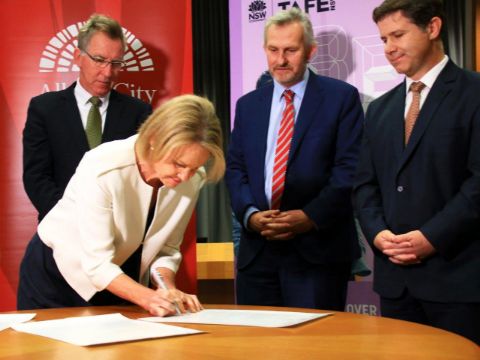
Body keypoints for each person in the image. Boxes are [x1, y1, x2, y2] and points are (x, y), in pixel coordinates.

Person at [17, 94, 225, 316]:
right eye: (179, 164)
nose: (185, 177)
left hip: (118, 275)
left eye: (195, 167)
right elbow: (97, 264)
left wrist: (168, 289)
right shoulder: (103, 166)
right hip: (57, 274)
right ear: (154, 140)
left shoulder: (192, 179)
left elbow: (165, 249)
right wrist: (148, 297)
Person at [353, 0, 480, 344]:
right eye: (382, 40)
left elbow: (477, 185)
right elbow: (365, 185)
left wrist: (431, 238)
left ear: (433, 28)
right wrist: (378, 235)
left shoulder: (474, 93)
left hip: (458, 278)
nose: (389, 49)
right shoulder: (379, 109)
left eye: (397, 35)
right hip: (396, 282)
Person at [226, 8, 364, 310]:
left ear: (311, 51)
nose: (281, 60)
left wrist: (310, 217)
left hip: (316, 251)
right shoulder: (248, 105)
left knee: (314, 349)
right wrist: (249, 213)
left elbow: (348, 171)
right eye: (273, 50)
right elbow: (236, 169)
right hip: (258, 251)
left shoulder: (341, 98)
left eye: (291, 50)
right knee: (257, 348)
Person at [23, 13, 152, 221]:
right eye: (99, 60)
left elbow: (142, 179)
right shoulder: (44, 109)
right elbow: (36, 177)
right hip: (61, 231)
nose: (108, 72)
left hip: (120, 232)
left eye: (116, 63)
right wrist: (72, 220)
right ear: (77, 57)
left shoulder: (139, 113)